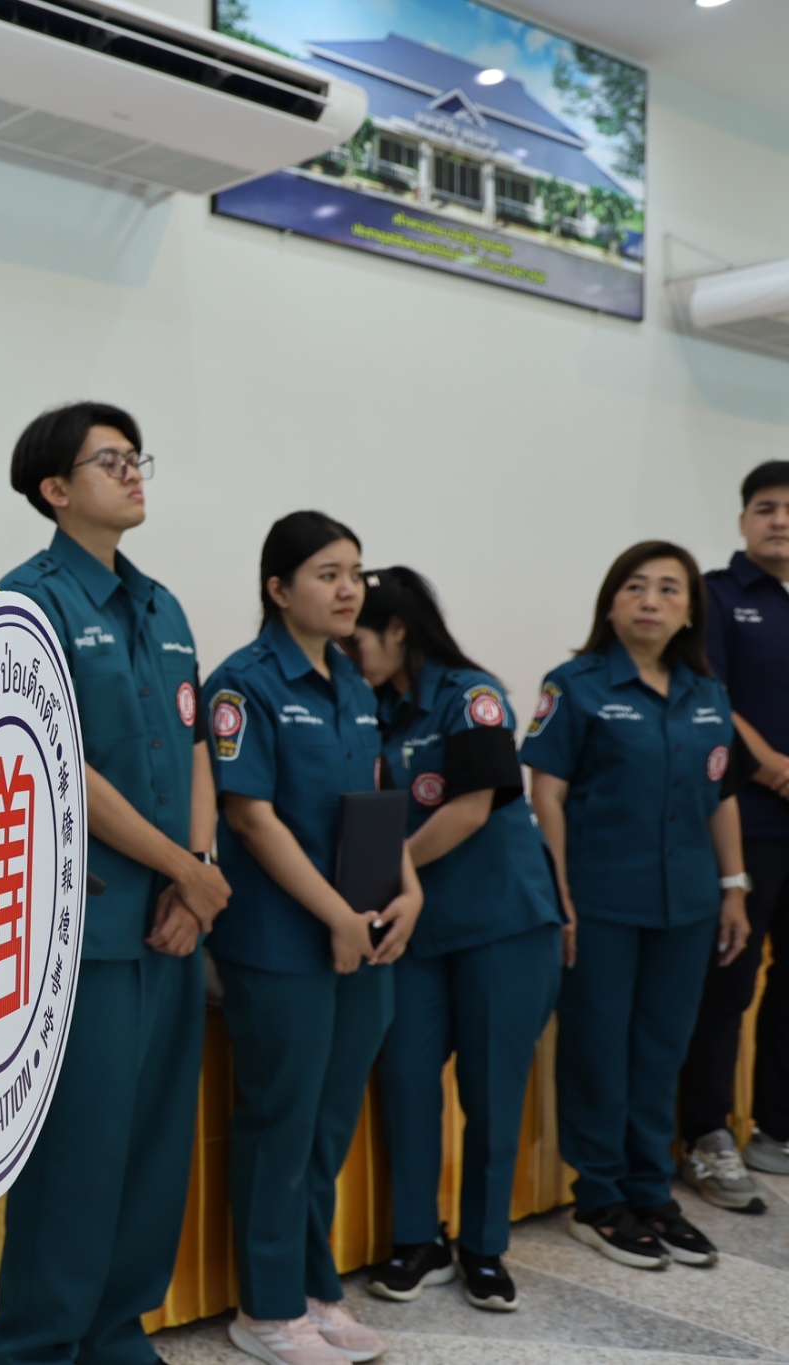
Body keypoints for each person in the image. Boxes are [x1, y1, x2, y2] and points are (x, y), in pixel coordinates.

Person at [0, 403, 230, 1365]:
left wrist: (198, 875)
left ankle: (119, 1338)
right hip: (83, 931)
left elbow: (197, 743)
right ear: (55, 489)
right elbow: (61, 763)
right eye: (109, 460)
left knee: (153, 1150)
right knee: (76, 1157)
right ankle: (39, 1347)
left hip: (174, 922)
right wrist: (180, 870)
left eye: (137, 459)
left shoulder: (162, 605)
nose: (133, 474)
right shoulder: (26, 602)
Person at [202, 512, 422, 1365]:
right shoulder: (243, 683)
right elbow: (249, 817)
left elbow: (376, 800)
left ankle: (315, 1288)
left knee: (328, 1125)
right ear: (278, 587)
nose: (348, 589)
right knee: (281, 1123)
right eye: (327, 573)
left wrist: (409, 887)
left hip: (363, 935)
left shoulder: (354, 679)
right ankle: (265, 1308)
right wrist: (334, 914)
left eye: (355, 573)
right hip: (282, 943)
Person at [522, 541, 750, 1272]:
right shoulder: (575, 685)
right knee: (597, 1049)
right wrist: (558, 892)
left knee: (660, 1049)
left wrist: (734, 885)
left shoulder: (708, 693)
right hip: (601, 902)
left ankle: (652, 1192)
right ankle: (598, 1199)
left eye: (669, 589)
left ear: (690, 611)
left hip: (687, 905)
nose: (651, 601)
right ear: (611, 602)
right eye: (635, 586)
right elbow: (547, 793)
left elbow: (720, 795)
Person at [348, 569, 564, 1313]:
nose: (349, 654)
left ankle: (484, 1247)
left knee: (492, 1092)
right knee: (406, 1080)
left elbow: (471, 809)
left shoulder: (471, 696)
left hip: (502, 926)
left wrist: (391, 870)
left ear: (397, 629)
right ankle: (419, 1239)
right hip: (414, 932)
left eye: (357, 638)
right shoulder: (366, 706)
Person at [679, 462, 789, 1202]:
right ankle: (705, 1132)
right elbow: (709, 694)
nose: (780, 520)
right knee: (729, 979)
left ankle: (776, 1127)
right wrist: (774, 768)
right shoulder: (718, 595)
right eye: (766, 507)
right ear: (743, 519)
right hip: (748, 819)